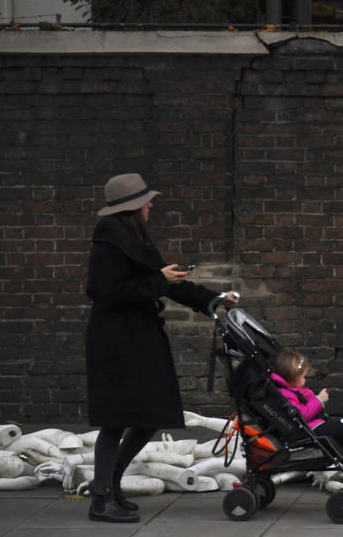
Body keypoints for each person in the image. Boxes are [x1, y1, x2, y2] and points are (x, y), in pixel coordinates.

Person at [85, 173, 239, 523]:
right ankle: (100, 498)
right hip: (116, 341)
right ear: (133, 207)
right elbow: (107, 291)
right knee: (114, 421)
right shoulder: (109, 244)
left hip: (138, 337)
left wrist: (213, 299)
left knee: (149, 414)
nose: (151, 205)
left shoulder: (134, 238)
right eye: (146, 201)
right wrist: (160, 280)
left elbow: (164, 283)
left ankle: (112, 484)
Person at [270, 348, 343, 484]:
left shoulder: (293, 390)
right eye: (303, 376)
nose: (305, 379)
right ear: (292, 378)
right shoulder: (286, 395)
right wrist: (318, 400)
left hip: (317, 425)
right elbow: (301, 415)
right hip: (312, 430)